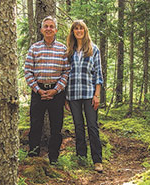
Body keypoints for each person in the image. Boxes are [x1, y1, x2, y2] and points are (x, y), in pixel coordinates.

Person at [24, 16, 70, 164]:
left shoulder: (63, 49)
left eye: (51, 26)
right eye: (46, 26)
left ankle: (54, 158)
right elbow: (28, 71)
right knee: (35, 125)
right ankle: (33, 156)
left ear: (55, 30)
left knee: (56, 127)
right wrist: (38, 90)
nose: (49, 29)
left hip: (56, 94)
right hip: (38, 92)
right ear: (42, 30)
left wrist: (55, 90)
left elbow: (66, 72)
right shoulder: (34, 48)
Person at [65, 20, 104, 172]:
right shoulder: (69, 51)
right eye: (76, 28)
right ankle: (81, 158)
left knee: (92, 127)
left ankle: (97, 160)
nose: (79, 31)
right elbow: (66, 75)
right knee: (78, 127)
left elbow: (98, 74)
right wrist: (66, 98)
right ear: (73, 32)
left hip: (89, 94)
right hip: (73, 94)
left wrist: (97, 95)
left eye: (81, 28)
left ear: (85, 31)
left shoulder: (93, 49)